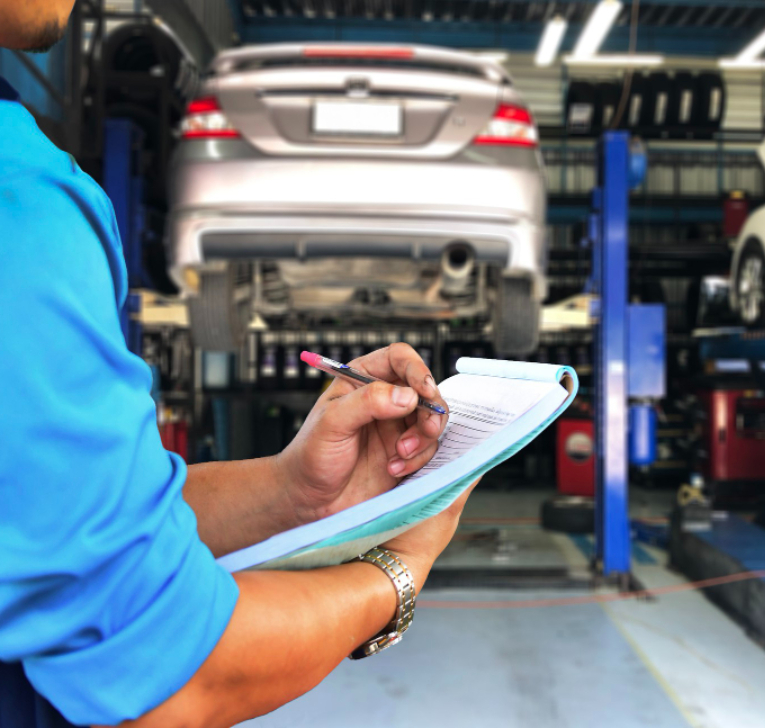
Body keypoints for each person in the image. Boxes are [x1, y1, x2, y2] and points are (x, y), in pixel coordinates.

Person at [0, 3, 473, 726]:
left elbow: (54, 526)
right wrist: (400, 568)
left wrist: (296, 490)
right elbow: (172, 680)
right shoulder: (21, 210)